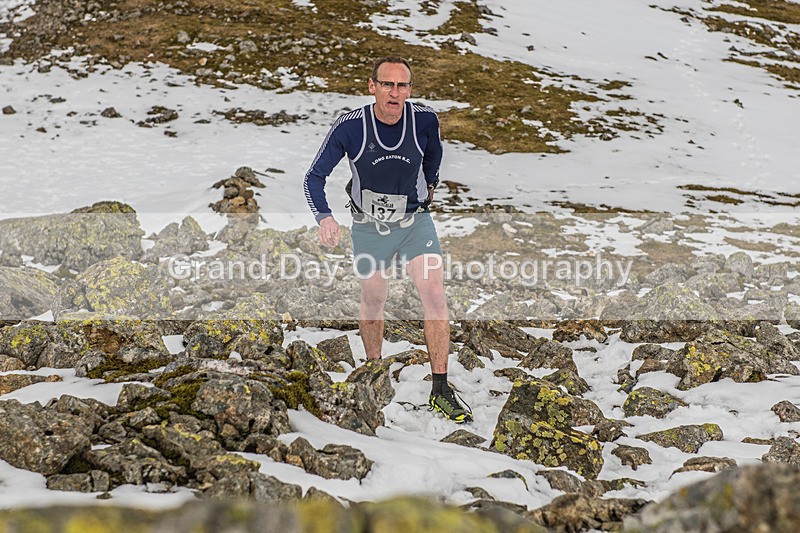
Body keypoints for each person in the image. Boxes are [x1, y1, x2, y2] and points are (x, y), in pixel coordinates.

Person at [303, 56, 472, 423]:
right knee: (375, 297)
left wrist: (430, 186)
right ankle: (374, 371)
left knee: (434, 293)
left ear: (410, 90)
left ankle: (441, 388)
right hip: (368, 227)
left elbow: (434, 155)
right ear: (372, 86)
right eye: (388, 85)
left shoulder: (424, 119)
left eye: (402, 86)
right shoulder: (350, 127)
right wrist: (325, 218)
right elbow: (313, 177)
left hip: (415, 223)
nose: (395, 93)